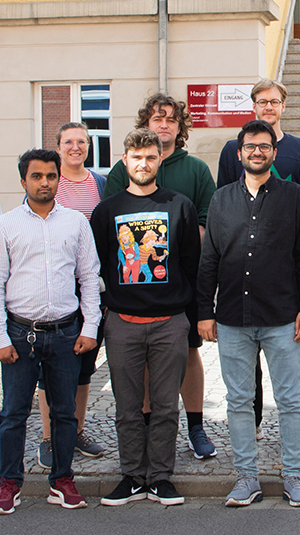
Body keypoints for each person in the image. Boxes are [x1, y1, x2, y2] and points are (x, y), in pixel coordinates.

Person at [199, 119, 300, 507]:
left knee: (290, 400)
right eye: (250, 146)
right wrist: (204, 311)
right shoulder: (221, 199)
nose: (257, 152)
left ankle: (294, 477)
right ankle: (246, 477)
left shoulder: (294, 196)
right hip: (233, 317)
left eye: (264, 146)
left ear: (273, 153)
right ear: (239, 153)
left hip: (282, 317)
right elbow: (210, 258)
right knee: (238, 401)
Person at [0, 149, 101, 514]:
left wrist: (90, 327)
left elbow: (89, 277)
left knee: (65, 412)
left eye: (51, 176)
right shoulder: (4, 225)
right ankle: (9, 483)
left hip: (66, 333)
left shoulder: (76, 223)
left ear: (58, 180)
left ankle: (62, 480)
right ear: (24, 181)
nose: (45, 182)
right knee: (13, 414)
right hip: (20, 334)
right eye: (37, 176)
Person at [105, 94, 218, 460]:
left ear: (179, 126)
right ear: (146, 125)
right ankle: (148, 425)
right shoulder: (123, 169)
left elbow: (207, 221)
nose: (164, 124)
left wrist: (175, 241)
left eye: (171, 119)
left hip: (181, 283)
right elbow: (111, 221)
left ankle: (196, 426)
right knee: (143, 359)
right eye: (157, 118)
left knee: (189, 352)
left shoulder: (196, 170)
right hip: (136, 288)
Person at [91, 129, 200, 507]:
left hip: (170, 322)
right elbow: (97, 266)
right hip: (123, 322)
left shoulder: (179, 206)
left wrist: (192, 317)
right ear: (125, 160)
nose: (143, 163)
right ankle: (132, 476)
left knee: (166, 406)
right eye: (137, 157)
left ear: (160, 160)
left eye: (151, 157)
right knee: (128, 407)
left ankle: (161, 478)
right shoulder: (107, 211)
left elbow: (191, 264)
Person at [217, 79, 300, 448]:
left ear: (283, 106)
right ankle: (255, 420)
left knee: (294, 351)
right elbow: (223, 204)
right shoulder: (233, 150)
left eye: (274, 101)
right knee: (247, 353)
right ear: (254, 106)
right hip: (244, 271)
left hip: (286, 272)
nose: (268, 106)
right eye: (262, 101)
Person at [33, 122, 108, 470]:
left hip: (92, 286)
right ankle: (50, 437)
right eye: (68, 142)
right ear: (58, 146)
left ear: (88, 147)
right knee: (49, 365)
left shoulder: (101, 184)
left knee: (84, 365)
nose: (75, 147)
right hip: (56, 287)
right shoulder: (49, 183)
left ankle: (75, 431)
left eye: (81, 141)